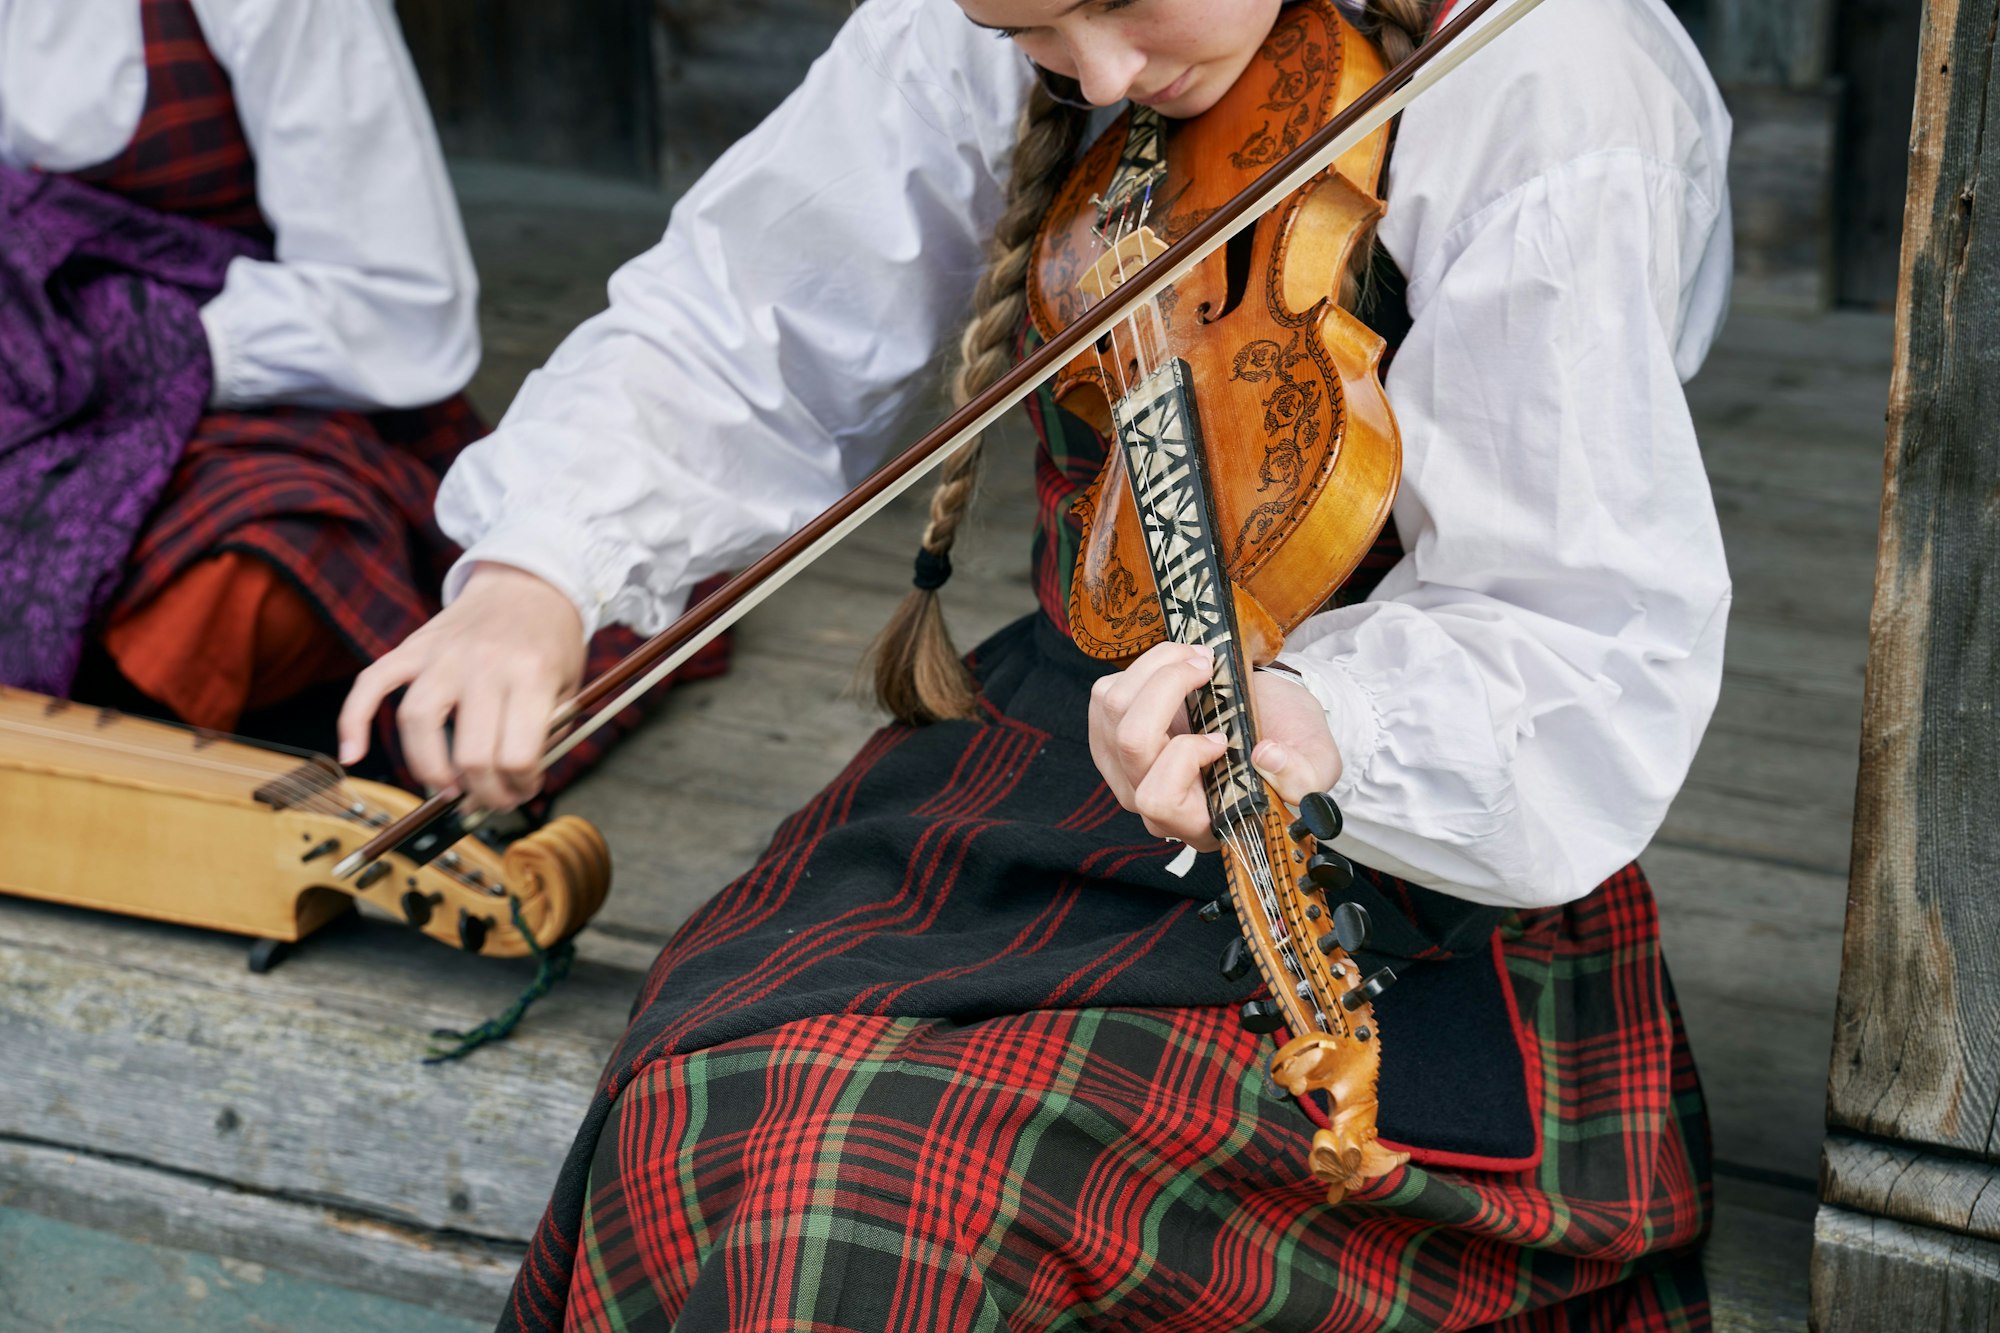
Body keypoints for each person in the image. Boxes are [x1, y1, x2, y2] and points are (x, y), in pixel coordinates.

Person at [342, 0, 1734, 1327]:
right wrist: (538, 572)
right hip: (1066, 737)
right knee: (715, 1089)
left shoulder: (1544, 70)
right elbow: (746, 318)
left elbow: (1568, 613)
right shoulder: (1014, 38)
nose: (1104, 77)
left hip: (1397, 845)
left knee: (862, 1167)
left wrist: (1331, 719)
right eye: (1027, 35)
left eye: (1127, 7)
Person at [0, 0, 722, 785]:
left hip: (256, 398)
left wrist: (137, 343)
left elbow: (401, 305)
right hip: (23, 396)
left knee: (240, 586)